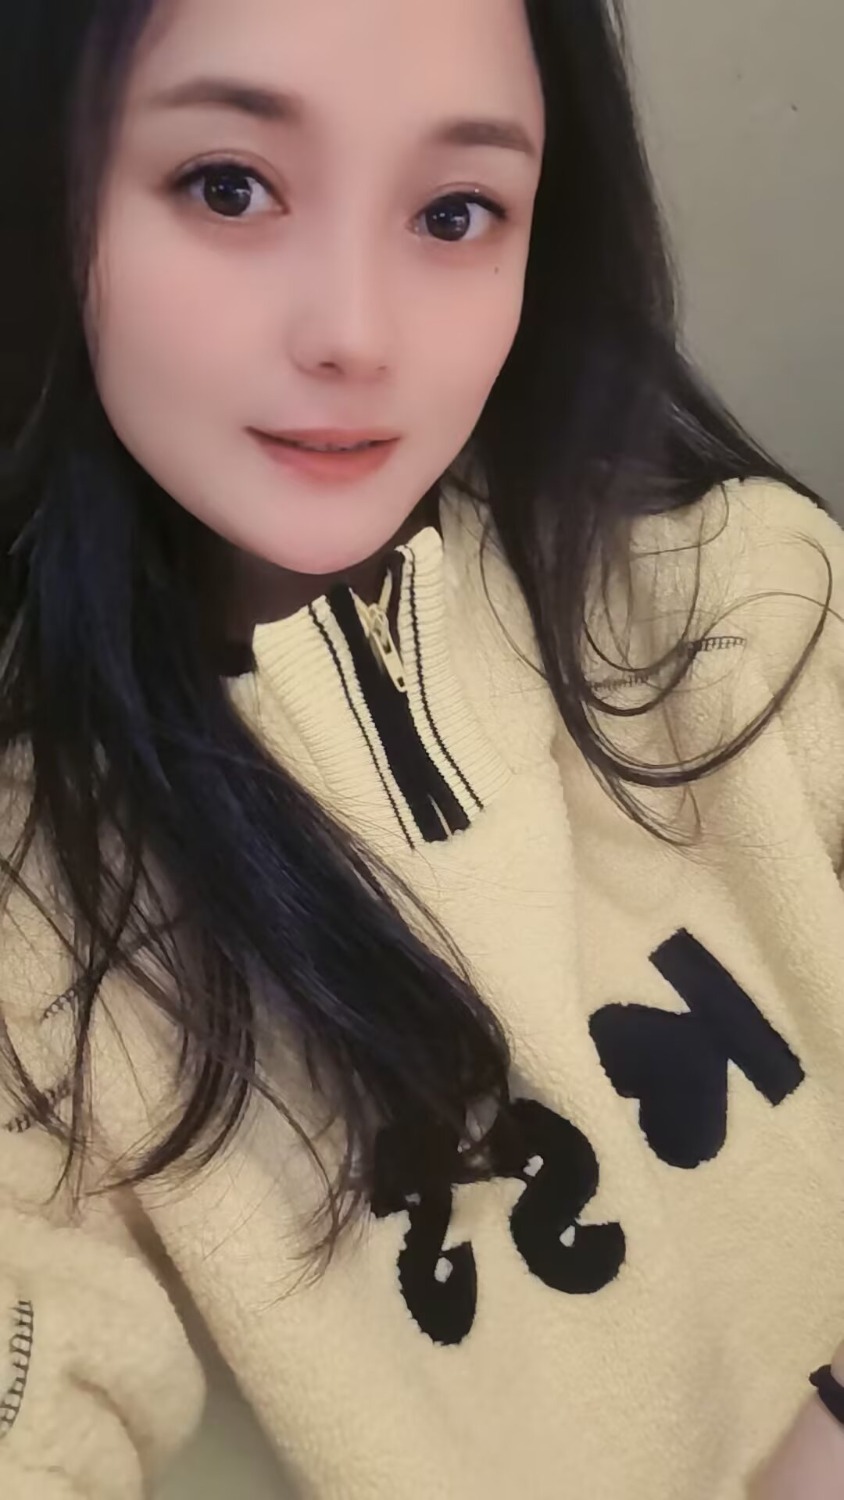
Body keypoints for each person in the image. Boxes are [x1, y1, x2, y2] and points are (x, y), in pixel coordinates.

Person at [1, 1, 843, 1496]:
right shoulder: (32, 916)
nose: (356, 334)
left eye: (455, 212)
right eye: (228, 186)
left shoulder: (751, 609)